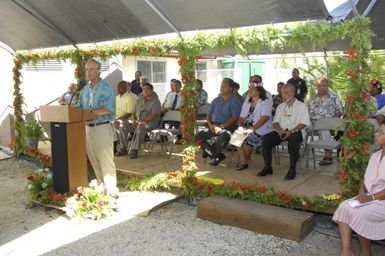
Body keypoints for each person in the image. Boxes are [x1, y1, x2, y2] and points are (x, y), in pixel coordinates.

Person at [332, 122, 385, 256]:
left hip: (381, 201)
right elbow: (365, 177)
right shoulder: (376, 155)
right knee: (344, 206)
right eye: (378, 131)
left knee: (358, 213)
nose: (376, 134)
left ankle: (365, 252)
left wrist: (369, 198)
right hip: (371, 197)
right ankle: (346, 250)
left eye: (381, 133)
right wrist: (362, 192)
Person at [76, 59, 118, 196]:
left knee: (106, 161)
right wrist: (68, 110)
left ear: (99, 71)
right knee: (94, 160)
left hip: (102, 127)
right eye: (87, 69)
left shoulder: (107, 87)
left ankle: (111, 191)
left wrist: (90, 112)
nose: (88, 72)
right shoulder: (84, 90)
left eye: (92, 69)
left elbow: (109, 109)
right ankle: (101, 189)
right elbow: (78, 108)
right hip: (88, 129)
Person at [258, 83, 310, 180]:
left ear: (293, 93)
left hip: (296, 131)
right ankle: (268, 166)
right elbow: (275, 123)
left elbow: (303, 123)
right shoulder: (280, 107)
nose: (284, 96)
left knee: (293, 141)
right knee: (266, 139)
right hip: (281, 131)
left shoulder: (302, 106)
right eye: (282, 93)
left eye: (286, 93)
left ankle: (292, 169)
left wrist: (291, 131)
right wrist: (280, 130)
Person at [196, 78, 241, 166]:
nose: (221, 87)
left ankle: (210, 151)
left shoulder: (235, 101)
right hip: (213, 126)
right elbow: (209, 115)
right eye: (221, 86)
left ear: (231, 88)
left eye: (224, 86)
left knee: (222, 137)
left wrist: (221, 127)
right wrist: (210, 125)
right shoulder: (216, 100)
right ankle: (216, 155)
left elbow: (235, 118)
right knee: (197, 138)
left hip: (228, 127)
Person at [235, 81, 273, 171]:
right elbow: (241, 116)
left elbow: (265, 118)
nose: (249, 90)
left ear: (258, 91)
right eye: (249, 88)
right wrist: (240, 126)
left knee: (247, 143)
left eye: (252, 88)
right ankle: (244, 161)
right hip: (246, 127)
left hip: (260, 128)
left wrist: (252, 129)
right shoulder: (247, 101)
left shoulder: (265, 102)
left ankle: (243, 162)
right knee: (236, 138)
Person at [307, 78, 343, 165]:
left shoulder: (334, 97)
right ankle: (297, 149)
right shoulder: (312, 99)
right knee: (301, 127)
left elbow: (340, 111)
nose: (320, 88)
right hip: (312, 122)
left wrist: (332, 119)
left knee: (323, 128)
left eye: (323, 85)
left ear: (327, 86)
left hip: (328, 122)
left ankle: (328, 155)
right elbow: (306, 112)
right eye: (318, 86)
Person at [127, 83, 161, 159]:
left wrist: (140, 121)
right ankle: (123, 148)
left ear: (152, 90)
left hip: (150, 123)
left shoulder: (156, 101)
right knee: (123, 124)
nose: (145, 91)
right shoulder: (139, 99)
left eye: (147, 89)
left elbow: (154, 115)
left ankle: (134, 149)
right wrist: (133, 120)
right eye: (143, 89)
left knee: (141, 126)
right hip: (137, 122)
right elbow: (133, 112)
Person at [114, 80, 137, 156]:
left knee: (121, 124)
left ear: (125, 88)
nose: (117, 89)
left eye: (119, 87)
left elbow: (129, 113)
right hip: (117, 119)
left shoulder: (130, 97)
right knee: (107, 125)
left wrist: (118, 119)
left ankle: (124, 148)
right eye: (117, 87)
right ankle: (113, 147)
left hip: (129, 120)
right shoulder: (116, 98)